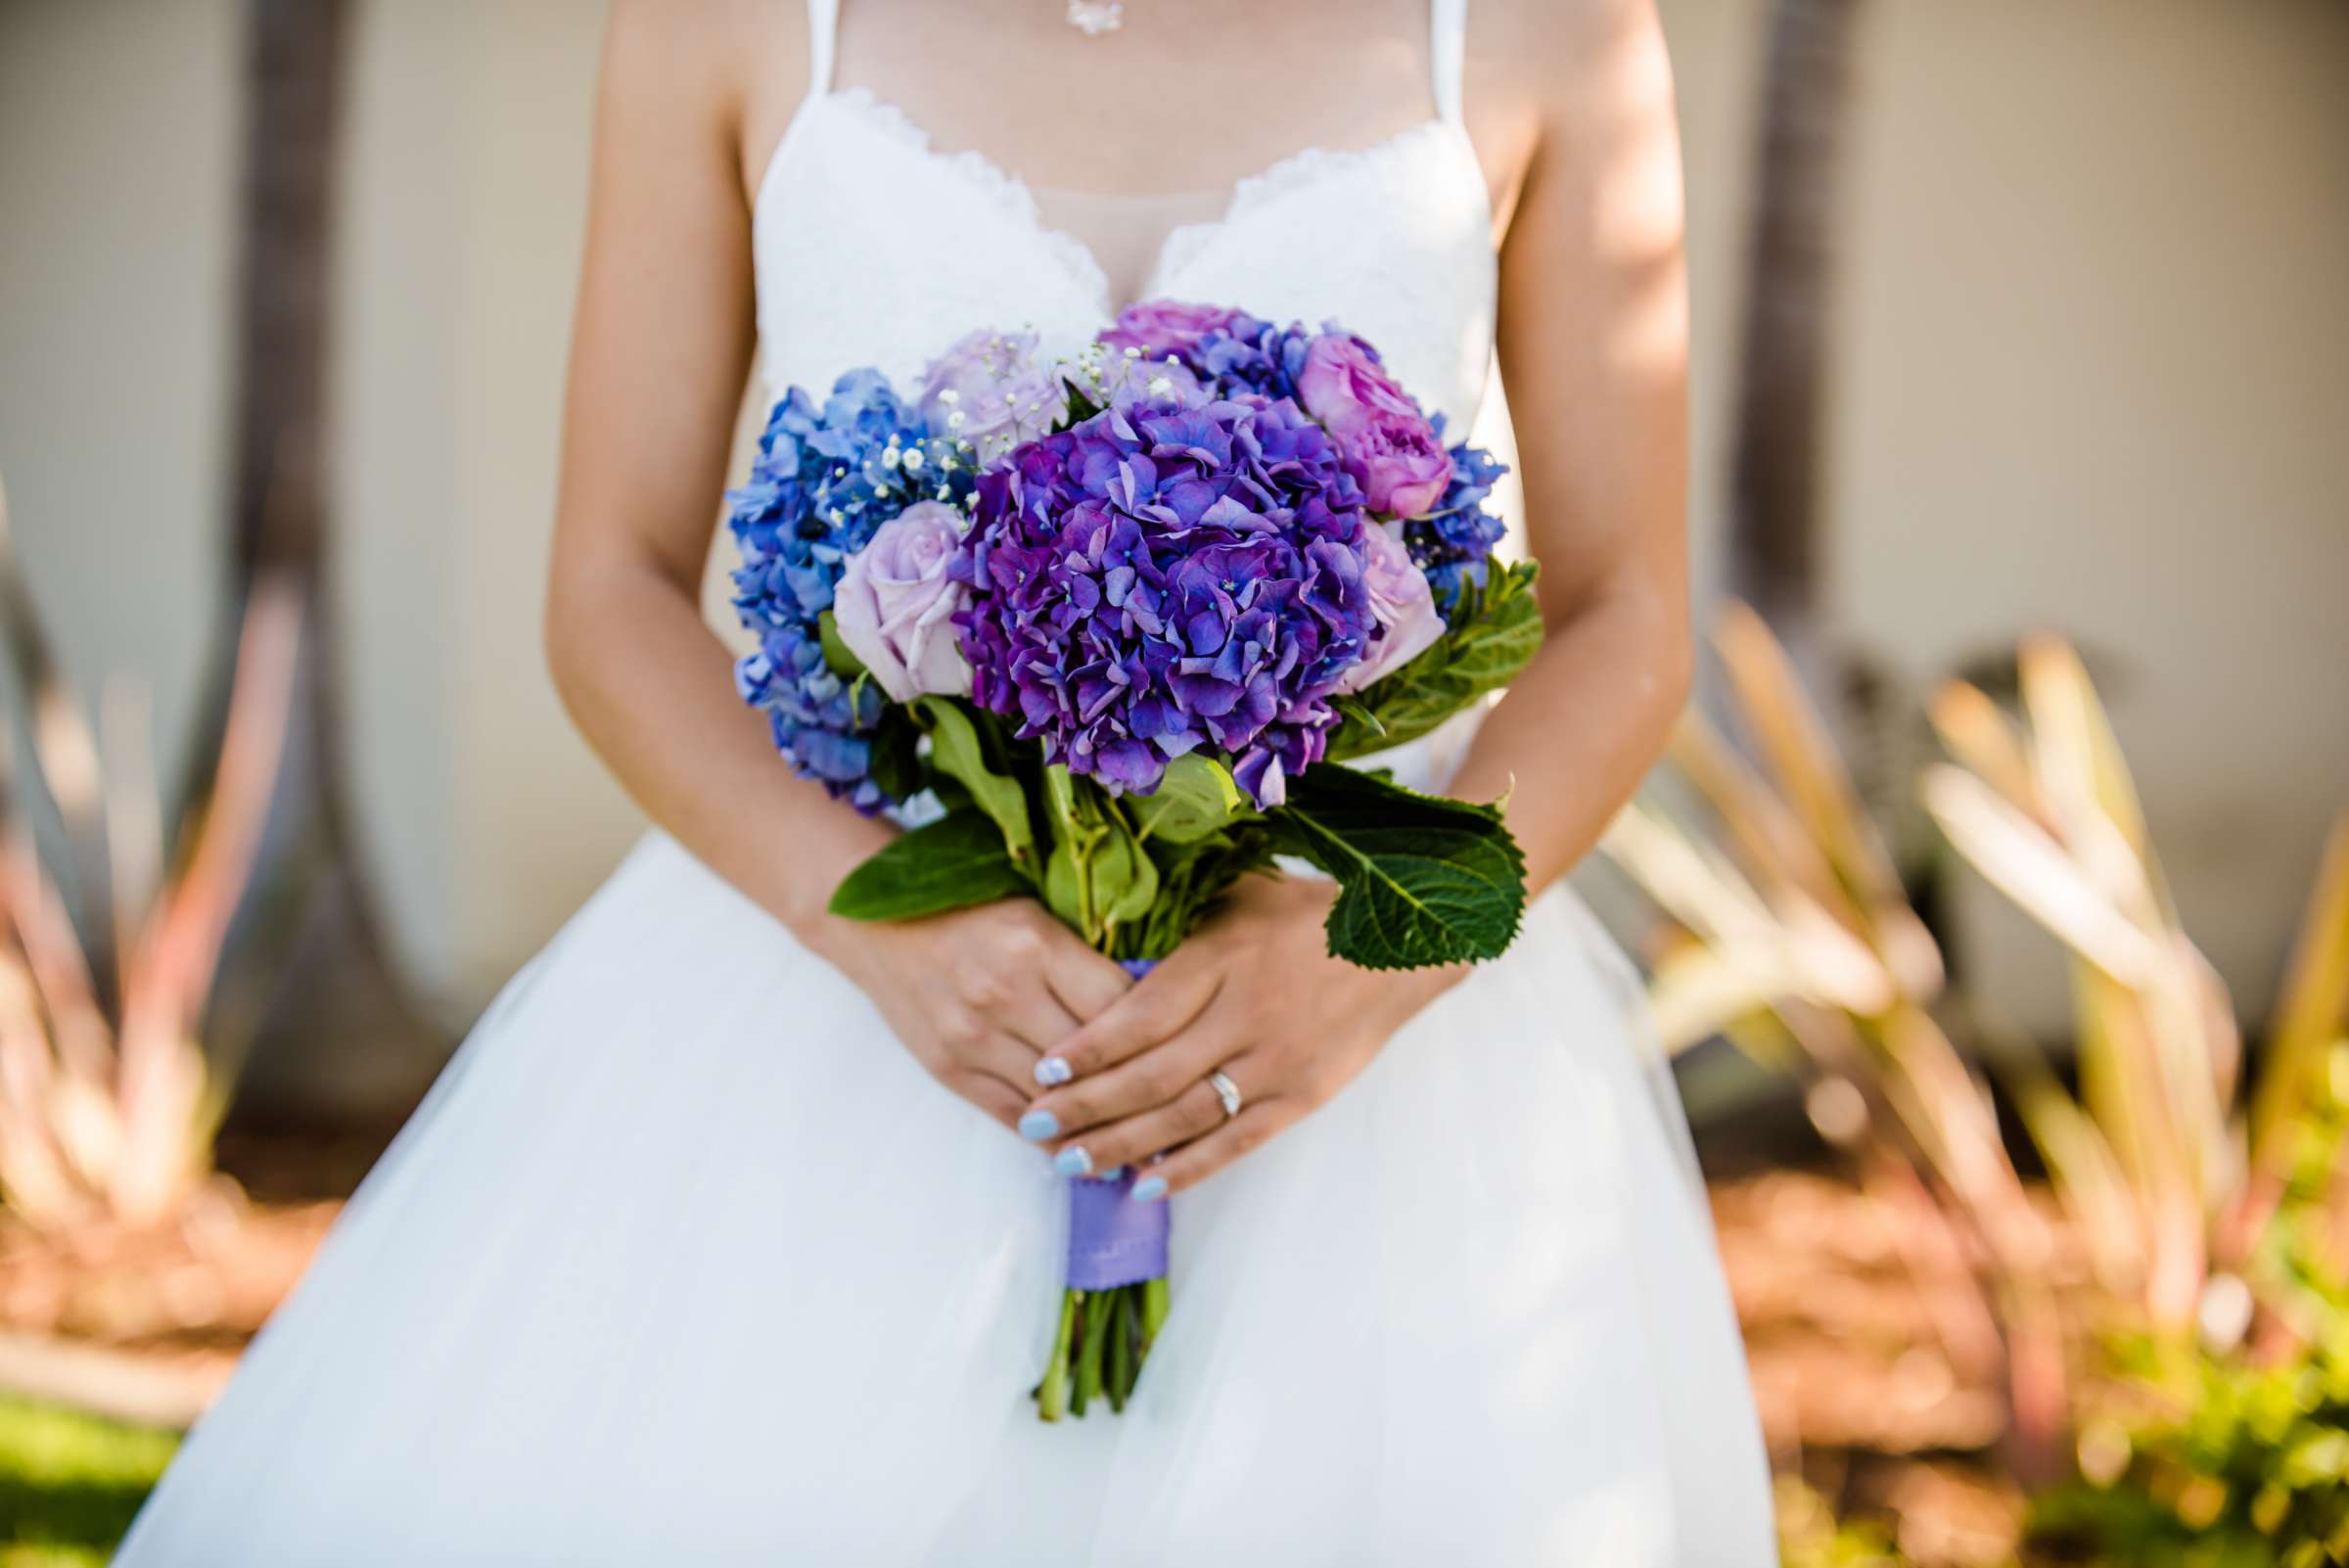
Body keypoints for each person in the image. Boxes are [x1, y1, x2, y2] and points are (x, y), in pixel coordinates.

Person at [116, 1, 1774, 1561]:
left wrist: (1354, 966)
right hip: (839, 1016)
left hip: (1375, 1070)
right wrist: (879, 929)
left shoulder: (1548, 22)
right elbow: (609, 590)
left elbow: (1627, 613)